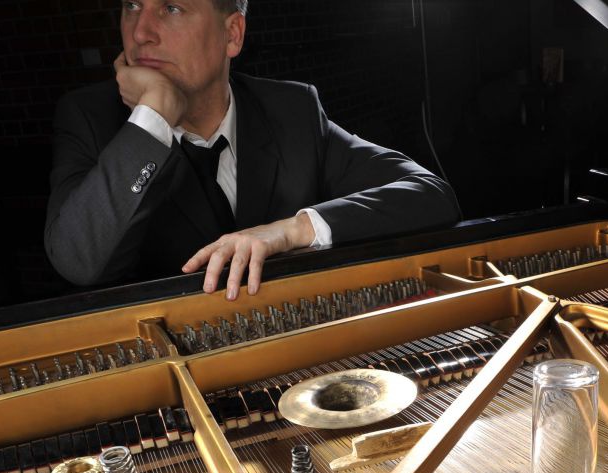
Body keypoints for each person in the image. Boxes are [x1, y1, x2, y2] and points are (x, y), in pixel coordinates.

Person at [45, 0, 459, 300]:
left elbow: (430, 195)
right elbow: (79, 261)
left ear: (232, 34)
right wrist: (152, 119)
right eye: (132, 5)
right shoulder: (91, 119)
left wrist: (289, 230)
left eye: (171, 8)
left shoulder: (291, 111)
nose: (140, 32)